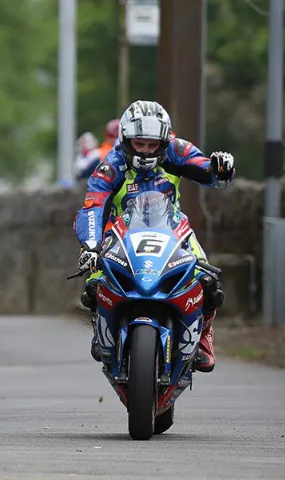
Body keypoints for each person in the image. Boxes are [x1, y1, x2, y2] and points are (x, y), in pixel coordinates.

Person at [73, 100, 235, 373]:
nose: (147, 151)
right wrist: (91, 245)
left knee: (208, 282)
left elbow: (209, 173)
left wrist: (220, 169)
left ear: (164, 140)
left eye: (152, 145)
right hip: (121, 232)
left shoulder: (177, 150)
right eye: (139, 144)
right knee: (93, 281)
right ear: (125, 140)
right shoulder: (110, 165)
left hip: (173, 229)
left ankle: (204, 336)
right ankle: (102, 329)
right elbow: (92, 206)